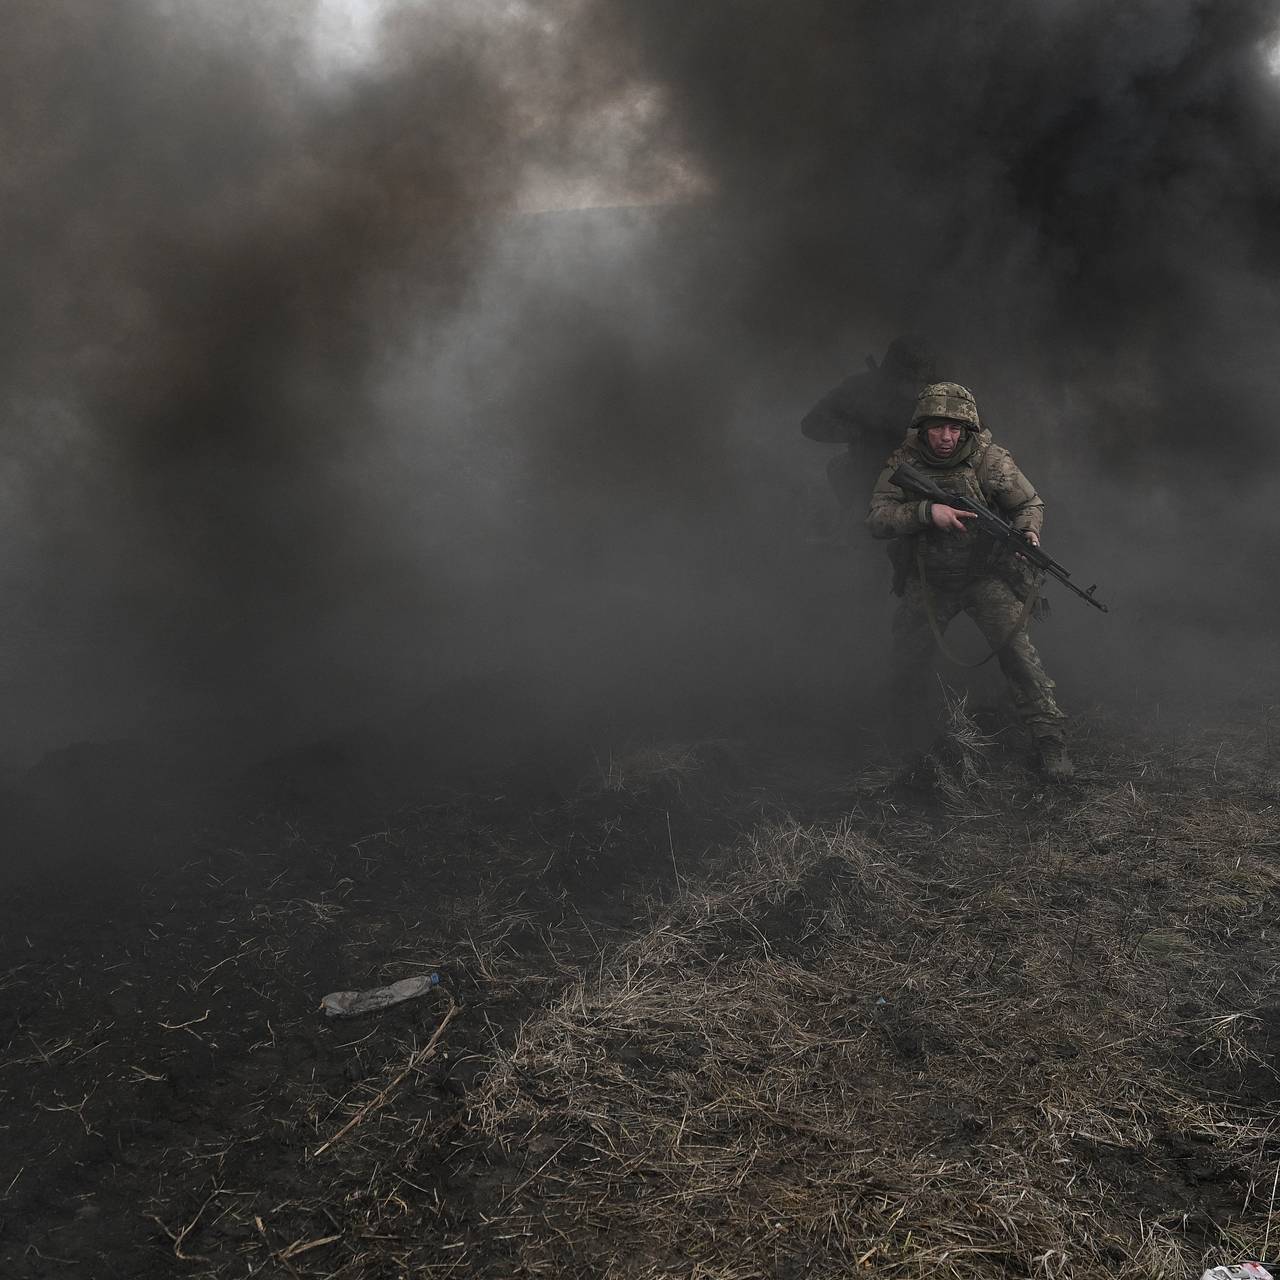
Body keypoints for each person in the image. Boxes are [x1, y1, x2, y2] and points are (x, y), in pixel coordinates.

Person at [867, 382, 1073, 781]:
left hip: (985, 577)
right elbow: (877, 518)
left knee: (1018, 656)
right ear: (923, 426)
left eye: (956, 429)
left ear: (969, 430)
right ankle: (904, 737)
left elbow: (1029, 504)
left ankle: (1050, 739)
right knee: (907, 659)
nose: (947, 437)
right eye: (938, 428)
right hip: (929, 579)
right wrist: (928, 513)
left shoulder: (990, 461)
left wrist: (1028, 533)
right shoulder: (902, 462)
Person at [801, 335, 939, 525]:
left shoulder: (940, 395)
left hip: (923, 484)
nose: (915, 388)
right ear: (892, 376)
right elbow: (812, 424)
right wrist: (860, 430)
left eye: (921, 381)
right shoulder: (861, 390)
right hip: (868, 483)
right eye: (908, 381)